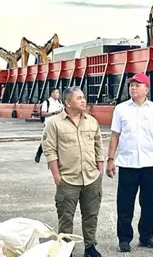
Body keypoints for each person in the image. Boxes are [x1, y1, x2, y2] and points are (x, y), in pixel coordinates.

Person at [105, 72, 153, 253]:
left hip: (149, 164)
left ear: (146, 89)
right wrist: (110, 159)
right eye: (131, 85)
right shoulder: (121, 109)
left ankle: (146, 236)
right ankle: (124, 239)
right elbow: (115, 135)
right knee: (125, 203)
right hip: (127, 164)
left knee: (148, 203)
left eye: (138, 85)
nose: (133, 88)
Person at [42, 86, 104, 257]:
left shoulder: (92, 121)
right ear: (68, 102)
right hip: (68, 179)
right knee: (66, 218)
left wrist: (100, 170)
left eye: (83, 97)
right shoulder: (54, 123)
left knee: (91, 216)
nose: (83, 100)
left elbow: (98, 146)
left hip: (91, 178)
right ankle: (65, 249)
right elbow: (50, 150)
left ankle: (90, 247)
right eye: (79, 98)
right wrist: (56, 176)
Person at [35, 88, 63, 163]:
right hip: (49, 124)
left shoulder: (59, 102)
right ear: (52, 93)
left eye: (58, 93)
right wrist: (54, 113)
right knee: (46, 140)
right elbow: (43, 114)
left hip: (58, 124)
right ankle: (39, 153)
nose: (58, 94)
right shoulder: (46, 102)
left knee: (59, 140)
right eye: (56, 92)